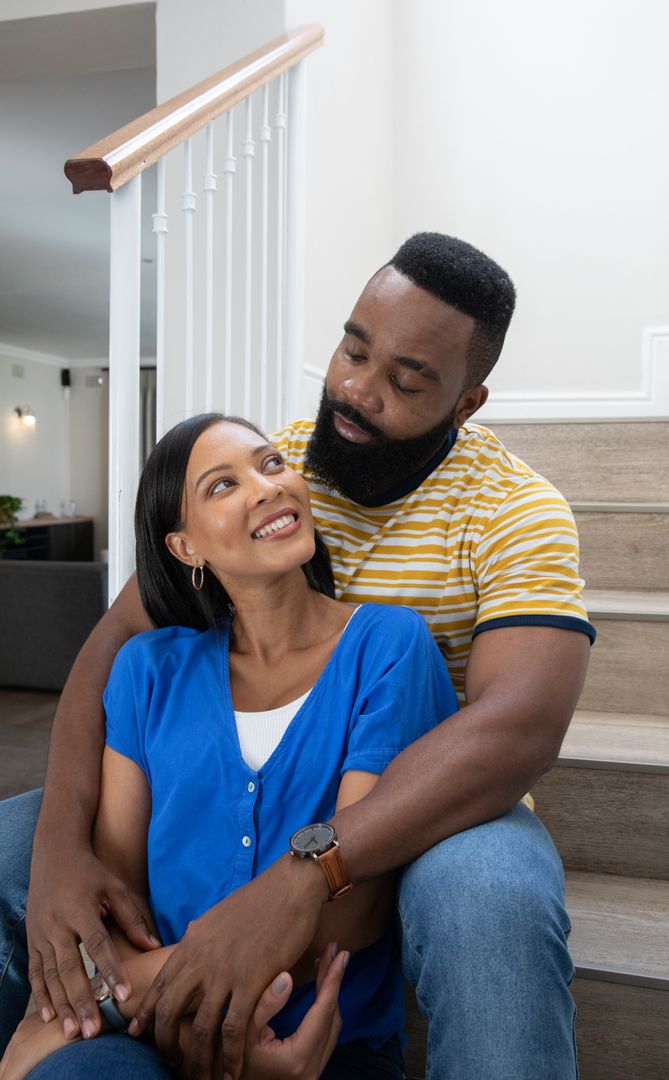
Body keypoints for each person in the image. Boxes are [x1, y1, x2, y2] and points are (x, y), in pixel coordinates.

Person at [0, 232, 594, 1080]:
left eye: (405, 379)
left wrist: (307, 869)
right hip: (274, 800)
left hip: (440, 803)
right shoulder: (279, 472)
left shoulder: (515, 511)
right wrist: (62, 850)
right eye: (354, 348)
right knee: (11, 849)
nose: (356, 389)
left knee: (487, 896)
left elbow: (520, 726)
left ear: (466, 404)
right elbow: (114, 651)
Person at [0, 412, 458, 1080]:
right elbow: (121, 903)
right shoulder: (147, 670)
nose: (267, 487)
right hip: (149, 1037)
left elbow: (354, 910)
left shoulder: (389, 646)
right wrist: (179, 1025)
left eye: (272, 464)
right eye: (222, 485)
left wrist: (113, 1004)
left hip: (321, 1045)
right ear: (186, 548)